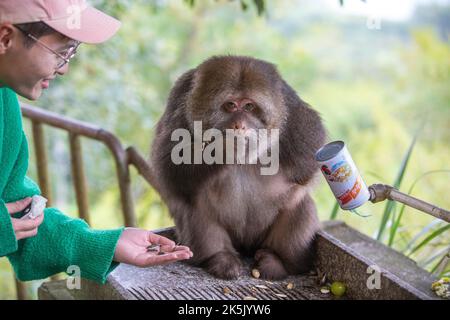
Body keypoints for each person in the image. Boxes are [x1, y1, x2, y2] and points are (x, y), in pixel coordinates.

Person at [0, 0, 192, 285]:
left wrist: (107, 243)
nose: (63, 68)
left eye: (71, 53)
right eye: (61, 51)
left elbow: (22, 217)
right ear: (6, 38)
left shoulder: (6, 105)